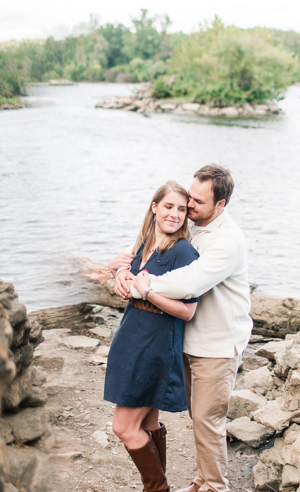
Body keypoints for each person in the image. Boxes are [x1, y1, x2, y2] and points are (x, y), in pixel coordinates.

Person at [112, 164, 252, 492]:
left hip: (217, 346)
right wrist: (117, 268)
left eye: (197, 203)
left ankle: (215, 487)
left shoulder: (227, 241)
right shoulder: (195, 228)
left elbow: (189, 282)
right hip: (189, 342)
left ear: (221, 205)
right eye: (189, 198)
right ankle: (201, 480)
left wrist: (140, 287)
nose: (188, 207)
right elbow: (151, 253)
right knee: (199, 419)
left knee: (208, 423)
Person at [104, 181, 200, 492]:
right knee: (146, 424)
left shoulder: (183, 251)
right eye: (169, 206)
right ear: (154, 207)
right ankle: (159, 487)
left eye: (182, 209)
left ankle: (157, 489)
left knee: (123, 427)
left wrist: (147, 292)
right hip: (132, 336)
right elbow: (130, 279)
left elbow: (188, 311)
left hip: (155, 344)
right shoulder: (145, 242)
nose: (175, 214)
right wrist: (117, 271)